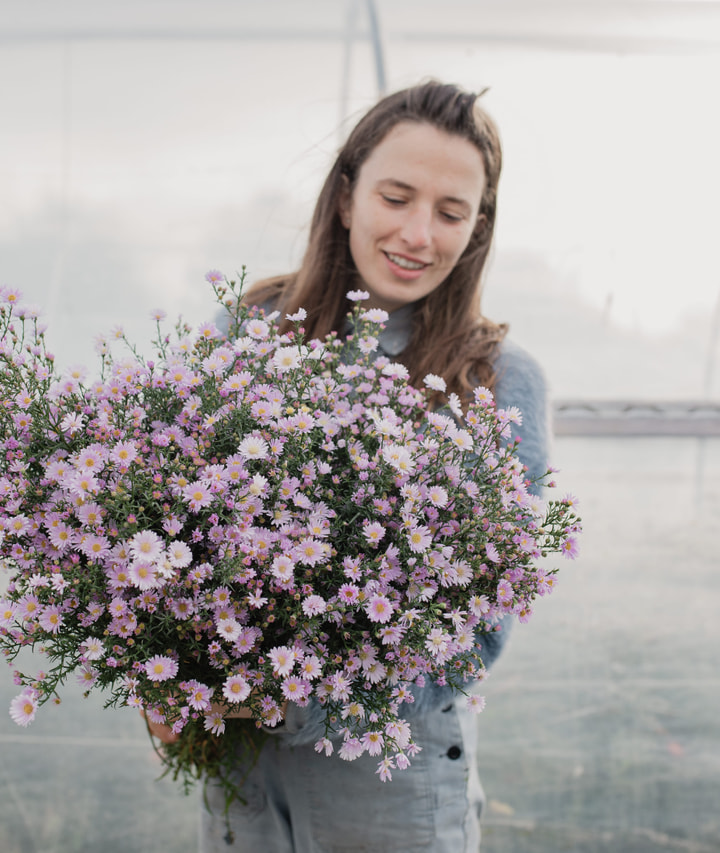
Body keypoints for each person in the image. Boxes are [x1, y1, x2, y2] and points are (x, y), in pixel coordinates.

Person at [151, 80, 550, 853]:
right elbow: (169, 515)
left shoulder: (498, 380)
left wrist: (296, 701)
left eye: (450, 211)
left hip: (388, 782)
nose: (417, 233)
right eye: (395, 196)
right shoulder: (249, 330)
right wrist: (163, 673)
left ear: (478, 228)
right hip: (241, 771)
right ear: (344, 197)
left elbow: (480, 627)